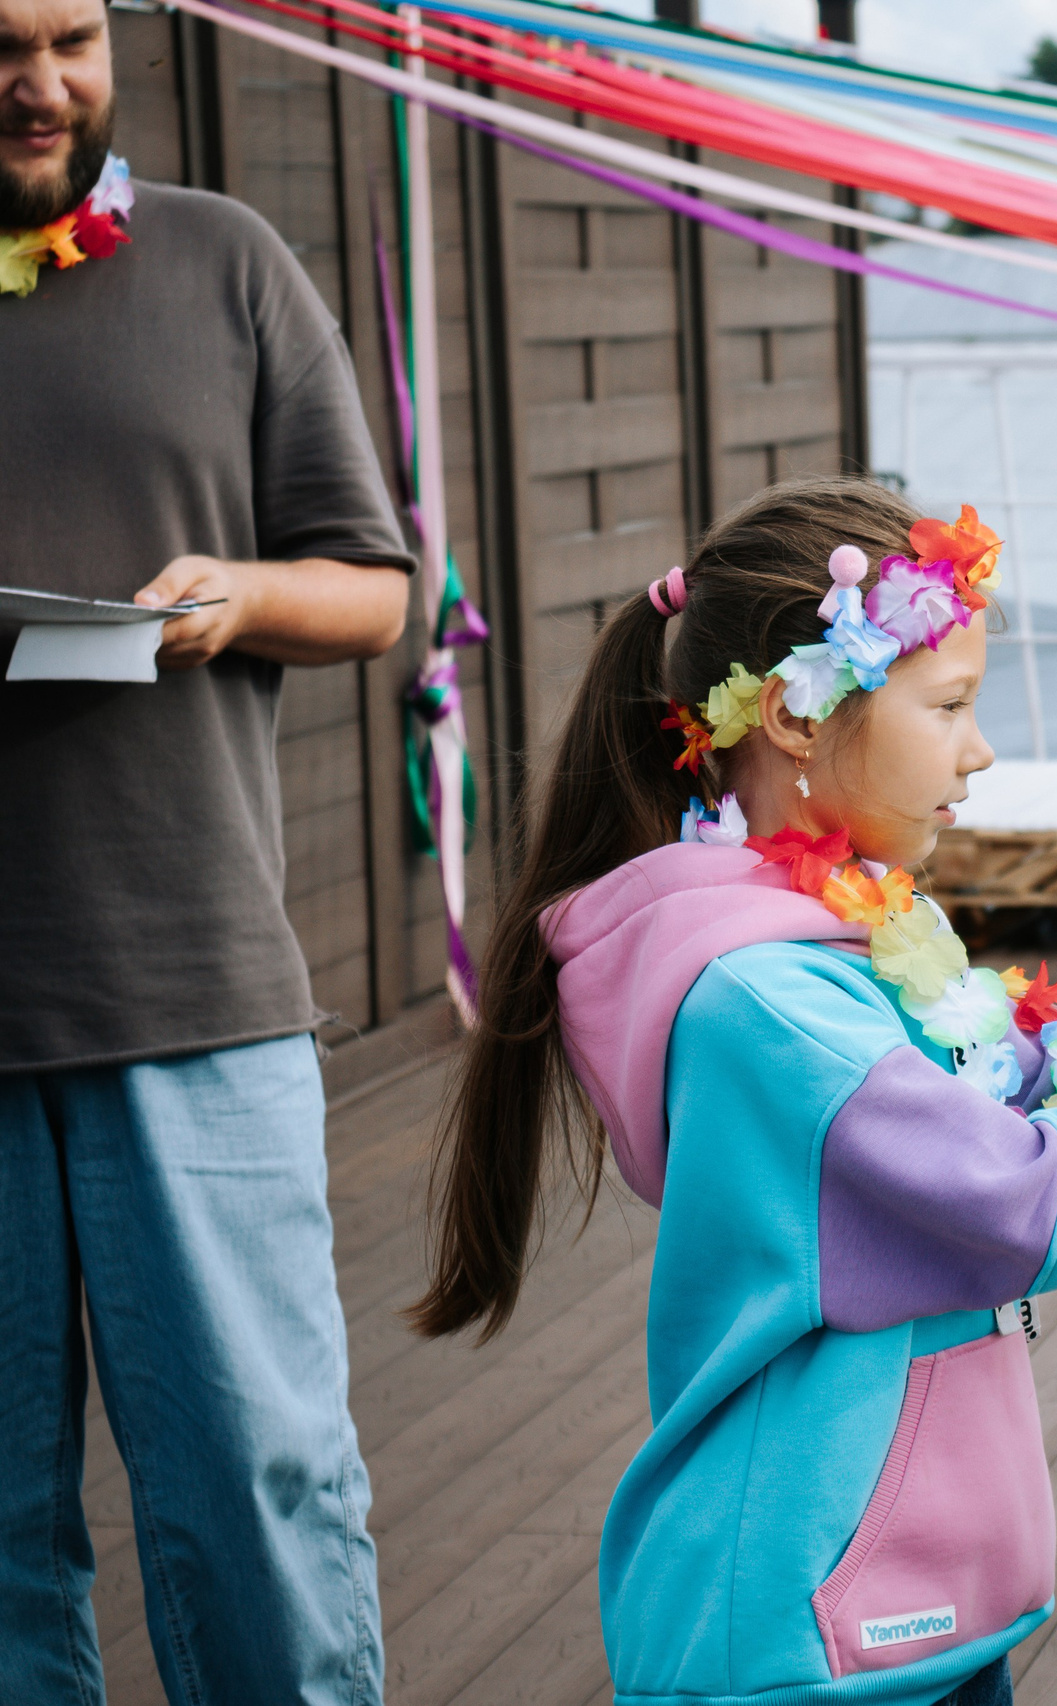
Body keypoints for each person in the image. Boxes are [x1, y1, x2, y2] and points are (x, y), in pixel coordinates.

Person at [412, 477, 1057, 1706]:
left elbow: (1050, 1080)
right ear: (797, 715)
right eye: (951, 703)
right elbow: (1045, 1200)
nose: (979, 748)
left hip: (897, 1606)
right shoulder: (775, 1006)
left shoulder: (852, 936)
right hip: (803, 1638)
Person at [0, 0, 413, 1699]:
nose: (41, 84)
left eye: (73, 38)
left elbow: (376, 592)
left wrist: (240, 594)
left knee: (260, 1489)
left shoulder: (229, 261)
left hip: (196, 983)